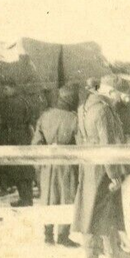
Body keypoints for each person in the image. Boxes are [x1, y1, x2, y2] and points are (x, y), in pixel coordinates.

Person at [73, 75, 130, 258]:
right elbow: (106, 145)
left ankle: (94, 254)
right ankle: (109, 254)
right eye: (118, 94)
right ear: (110, 91)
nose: (118, 99)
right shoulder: (104, 111)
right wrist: (113, 174)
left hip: (89, 163)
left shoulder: (84, 107)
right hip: (102, 166)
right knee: (103, 210)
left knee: (89, 207)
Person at [32, 86, 80, 247]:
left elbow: (36, 143)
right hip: (66, 165)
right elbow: (80, 144)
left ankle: (48, 236)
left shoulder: (45, 116)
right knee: (66, 197)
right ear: (71, 100)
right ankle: (63, 236)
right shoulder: (74, 118)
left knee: (48, 198)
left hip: (47, 165)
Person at [0, 84, 35, 206]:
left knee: (19, 170)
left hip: (14, 138)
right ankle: (28, 198)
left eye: (6, 88)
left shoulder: (9, 102)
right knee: (26, 168)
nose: (4, 91)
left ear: (13, 88)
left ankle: (25, 199)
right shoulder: (24, 100)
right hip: (25, 136)